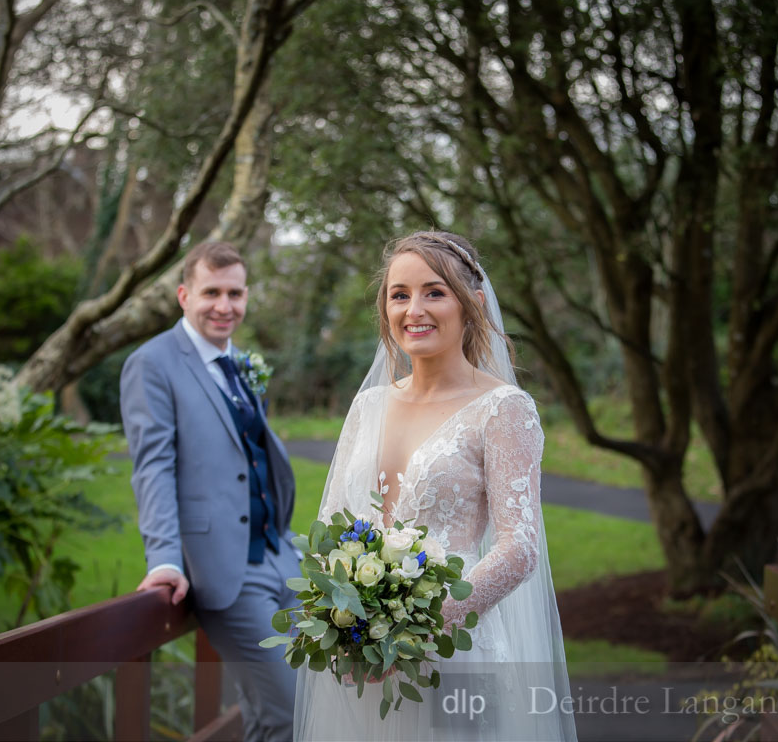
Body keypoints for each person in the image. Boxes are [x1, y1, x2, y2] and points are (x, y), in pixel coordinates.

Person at [294, 231, 577, 741]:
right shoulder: (368, 407)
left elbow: (520, 547)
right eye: (399, 294)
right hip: (363, 654)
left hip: (456, 650)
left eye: (434, 292)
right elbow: (330, 529)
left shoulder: (503, 409)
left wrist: (416, 632)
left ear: (473, 303)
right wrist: (343, 621)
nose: (414, 309)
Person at [120, 240, 297, 742]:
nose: (225, 306)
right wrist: (164, 560)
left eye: (235, 293)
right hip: (223, 570)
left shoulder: (241, 362)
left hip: (280, 556)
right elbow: (152, 466)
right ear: (183, 295)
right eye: (211, 292)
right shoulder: (151, 364)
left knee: (291, 705)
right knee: (287, 709)